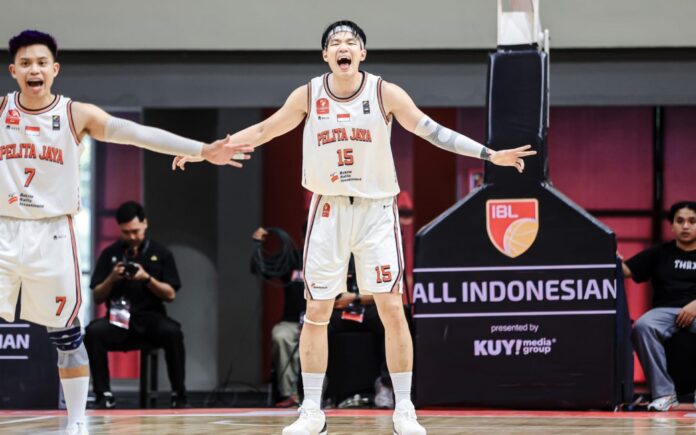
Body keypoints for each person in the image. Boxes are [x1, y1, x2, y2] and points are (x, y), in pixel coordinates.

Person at [174, 20, 535, 435]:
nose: (342, 46)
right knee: (316, 311)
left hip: (376, 210)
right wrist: (203, 152)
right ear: (325, 55)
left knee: (392, 307)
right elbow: (263, 130)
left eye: (350, 42)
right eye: (335, 42)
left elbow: (432, 131)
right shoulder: (308, 94)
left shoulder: (384, 93)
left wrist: (488, 154)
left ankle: (404, 408)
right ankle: (311, 410)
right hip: (328, 209)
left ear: (362, 53)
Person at [0, 30, 252, 434]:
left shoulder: (75, 115)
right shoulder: (1, 110)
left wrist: (202, 150)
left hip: (53, 234)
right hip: (4, 229)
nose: (34, 70)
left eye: (41, 63)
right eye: (26, 63)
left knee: (67, 336)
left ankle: (76, 423)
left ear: (54, 70)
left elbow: (137, 134)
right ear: (13, 71)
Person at [85, 201, 187, 409]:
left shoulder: (161, 253)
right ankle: (104, 394)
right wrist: (112, 278)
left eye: (135, 231)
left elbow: (170, 294)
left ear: (145, 224)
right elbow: (97, 296)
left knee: (173, 332)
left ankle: (178, 394)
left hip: (151, 320)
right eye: (126, 232)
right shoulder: (110, 254)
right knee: (94, 332)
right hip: (119, 321)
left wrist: (146, 278)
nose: (131, 237)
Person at [624, 201, 696, 412]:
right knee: (642, 326)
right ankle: (664, 394)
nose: (685, 226)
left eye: (692, 221)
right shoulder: (659, 253)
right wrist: (607, 255)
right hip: (665, 312)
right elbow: (626, 270)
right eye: (680, 221)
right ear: (672, 226)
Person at [251, 226, 305, 407]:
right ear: (303, 236)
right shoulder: (292, 258)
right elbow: (261, 269)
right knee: (281, 336)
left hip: (322, 322)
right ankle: (291, 394)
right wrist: (257, 244)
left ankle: (323, 394)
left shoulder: (332, 261)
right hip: (291, 322)